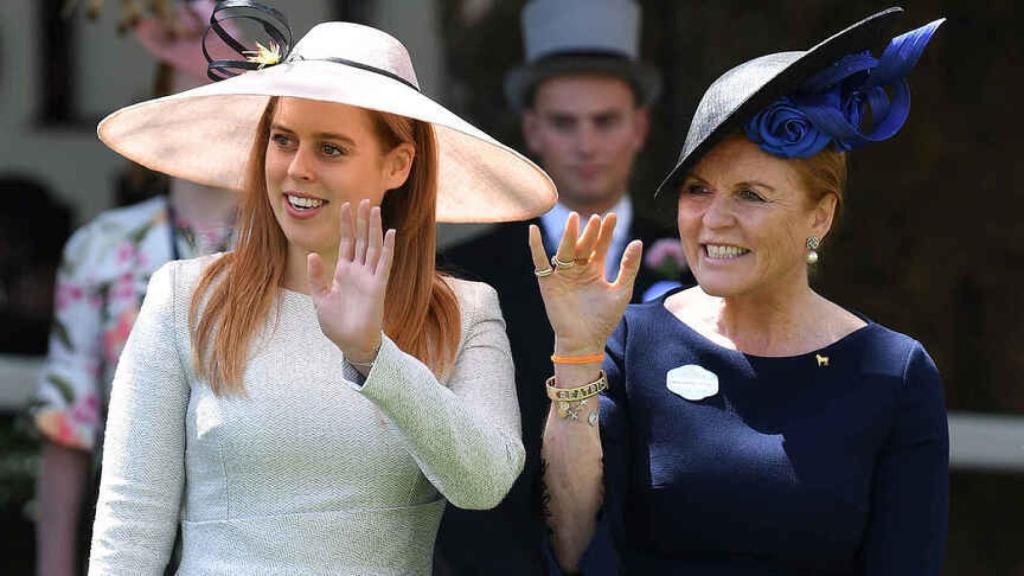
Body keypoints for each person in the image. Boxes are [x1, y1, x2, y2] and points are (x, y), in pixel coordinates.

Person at [86, 2, 555, 574]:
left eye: (331, 149)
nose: (298, 168)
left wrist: (373, 356)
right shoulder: (186, 298)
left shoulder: (462, 311)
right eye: (284, 140)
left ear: (398, 164)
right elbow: (130, 524)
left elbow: (483, 484)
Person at [536, 8, 949, 575]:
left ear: (820, 217)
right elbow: (573, 547)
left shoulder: (895, 373)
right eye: (698, 188)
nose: (714, 219)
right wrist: (576, 356)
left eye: (751, 194)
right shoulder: (634, 339)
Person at [436, 1, 684, 572]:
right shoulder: (464, 273)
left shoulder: (697, 265)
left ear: (639, 126)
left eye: (606, 120)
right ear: (532, 129)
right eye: (564, 122)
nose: (586, 144)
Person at [32, 3, 237, 574]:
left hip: (254, 517)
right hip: (132, 518)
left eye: (221, 93)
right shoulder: (102, 246)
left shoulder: (292, 243)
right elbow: (69, 423)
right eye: (187, 90)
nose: (203, 106)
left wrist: (215, 37)